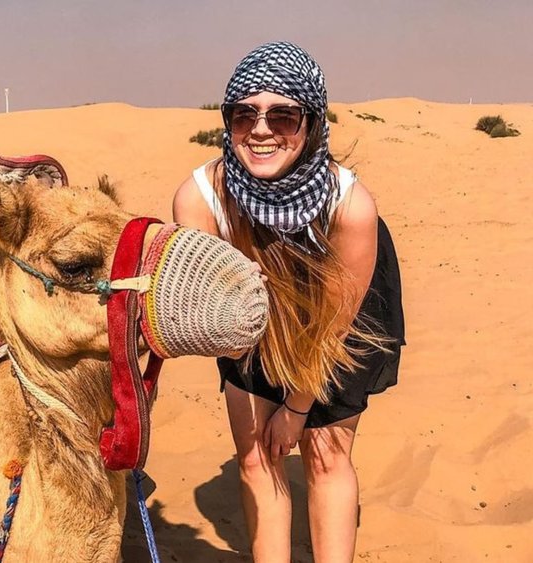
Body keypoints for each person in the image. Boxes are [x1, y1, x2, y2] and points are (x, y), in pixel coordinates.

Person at [172, 42, 405, 563]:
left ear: (312, 123)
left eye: (283, 114)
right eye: (243, 114)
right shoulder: (199, 199)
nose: (260, 129)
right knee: (257, 455)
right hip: (247, 316)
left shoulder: (349, 207)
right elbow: (204, 304)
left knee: (325, 456)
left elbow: (332, 328)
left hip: (338, 318)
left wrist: (296, 408)